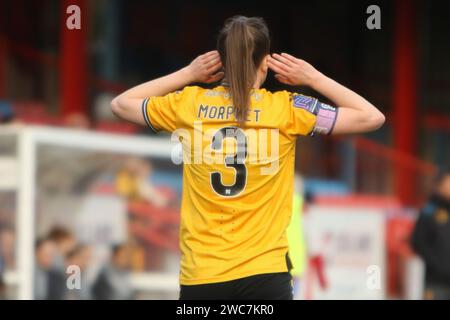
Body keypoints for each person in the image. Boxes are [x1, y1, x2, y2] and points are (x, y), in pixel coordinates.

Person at [111, 16, 385, 299]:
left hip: (203, 274)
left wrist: (188, 73)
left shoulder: (189, 104)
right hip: (265, 273)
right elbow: (372, 117)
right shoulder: (287, 109)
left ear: (220, 60)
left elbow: (120, 104)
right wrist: (312, 77)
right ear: (265, 61)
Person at [411, 170, 450, 300]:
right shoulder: (429, 212)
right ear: (439, 186)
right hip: (436, 282)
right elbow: (418, 242)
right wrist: (441, 265)